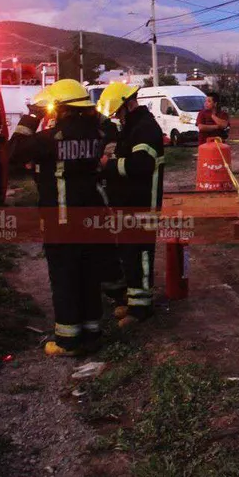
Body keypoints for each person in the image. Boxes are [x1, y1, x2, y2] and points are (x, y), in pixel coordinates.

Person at [8, 80, 114, 357]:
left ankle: (68, 340)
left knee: (65, 277)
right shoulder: (98, 134)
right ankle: (92, 332)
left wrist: (33, 115)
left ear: (62, 109)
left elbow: (14, 151)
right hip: (92, 220)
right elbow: (108, 126)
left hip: (62, 221)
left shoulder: (49, 139)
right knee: (89, 275)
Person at [97, 82, 164, 328]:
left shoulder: (145, 128)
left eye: (118, 111)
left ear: (128, 103)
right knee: (129, 254)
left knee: (141, 255)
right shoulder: (132, 126)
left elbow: (141, 165)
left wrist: (109, 165)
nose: (117, 116)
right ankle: (135, 302)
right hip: (130, 202)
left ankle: (142, 308)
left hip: (143, 203)